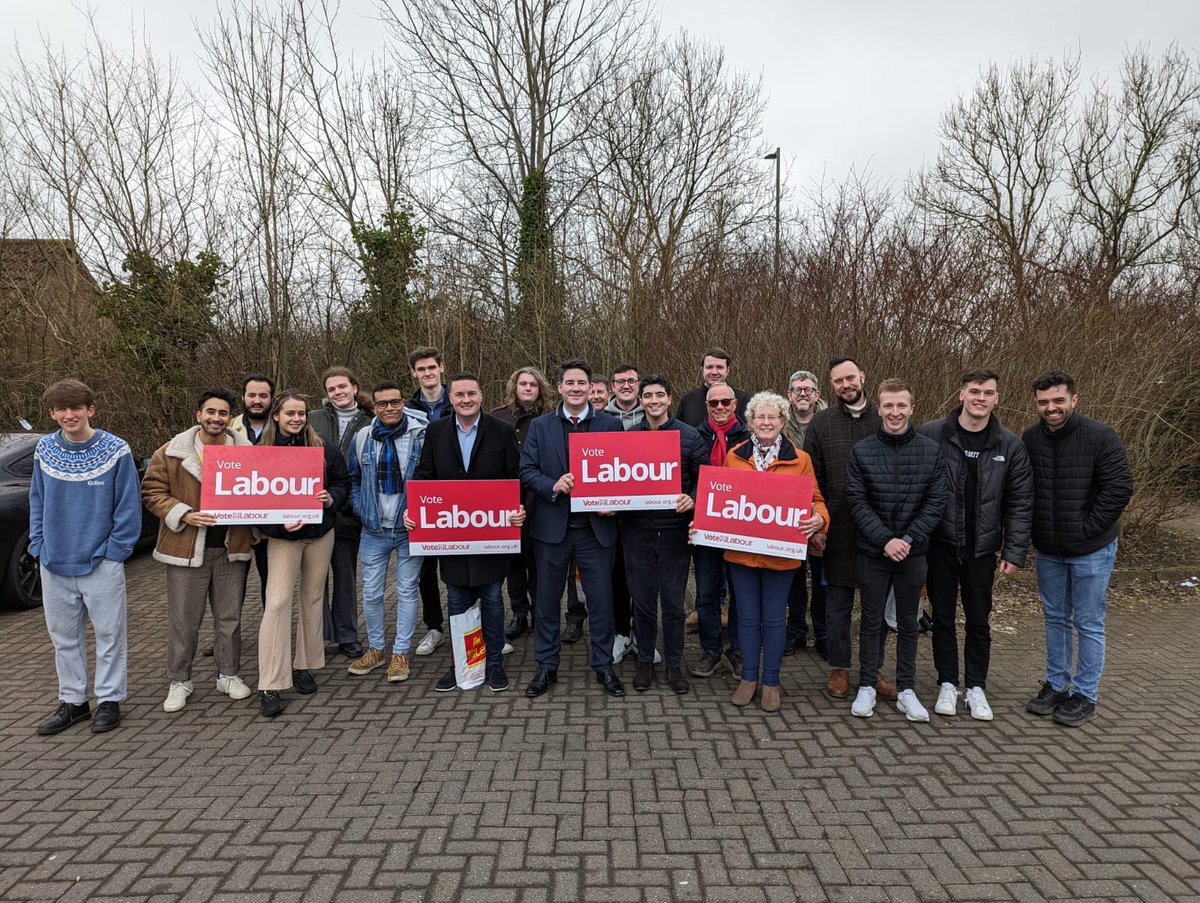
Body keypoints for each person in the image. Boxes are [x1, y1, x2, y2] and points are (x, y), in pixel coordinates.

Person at [918, 368, 1033, 721]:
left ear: (997, 398)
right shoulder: (932, 434)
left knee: (979, 621)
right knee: (942, 619)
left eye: (988, 392)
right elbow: (916, 488)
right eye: (974, 391)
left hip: (982, 551)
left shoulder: (1009, 444)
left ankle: (977, 687)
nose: (980, 398)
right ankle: (948, 683)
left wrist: (1014, 550)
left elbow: (1020, 501)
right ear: (961, 395)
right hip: (940, 545)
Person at [30, 380, 141, 735]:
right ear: (52, 413)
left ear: (90, 409)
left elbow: (128, 506)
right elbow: (37, 500)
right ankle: (74, 702)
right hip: (54, 561)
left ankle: (109, 699)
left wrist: (115, 552)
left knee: (109, 633)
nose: (68, 415)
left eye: (76, 408)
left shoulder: (116, 450)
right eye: (61, 409)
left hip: (101, 562)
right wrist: (38, 546)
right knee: (63, 637)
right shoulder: (44, 449)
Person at [1022, 371, 1132, 727]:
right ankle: (1056, 684)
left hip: (1091, 550)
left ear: (1074, 399)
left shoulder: (1100, 436)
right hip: (1049, 550)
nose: (1051, 408)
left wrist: (1086, 529)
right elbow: (1024, 491)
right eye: (1044, 402)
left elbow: (1119, 488)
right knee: (1055, 618)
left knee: (1088, 622)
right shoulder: (1030, 438)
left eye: (1058, 401)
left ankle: (1085, 693)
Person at [407, 373, 525, 693]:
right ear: (451, 399)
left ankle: (495, 662)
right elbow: (424, 477)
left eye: (471, 393)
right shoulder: (435, 432)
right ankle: (463, 661)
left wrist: (519, 508)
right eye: (459, 395)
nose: (466, 399)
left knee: (491, 600)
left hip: (491, 535)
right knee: (458, 600)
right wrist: (414, 511)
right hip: (452, 533)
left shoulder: (500, 431)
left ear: (481, 395)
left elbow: (516, 477)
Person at [142, 388, 255, 713]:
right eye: (211, 412)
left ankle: (228, 674)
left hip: (231, 547)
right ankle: (180, 680)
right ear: (199, 415)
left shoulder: (248, 453)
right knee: (184, 621)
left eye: (222, 413)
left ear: (229, 418)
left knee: (230, 619)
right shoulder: (171, 452)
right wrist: (184, 513)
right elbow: (152, 491)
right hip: (186, 548)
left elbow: (262, 492)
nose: (216, 418)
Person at [716, 391, 829, 713]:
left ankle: (771, 682)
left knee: (775, 620)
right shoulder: (735, 456)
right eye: (760, 417)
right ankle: (748, 678)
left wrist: (820, 519)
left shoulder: (800, 459)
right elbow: (721, 501)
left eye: (773, 417)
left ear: (783, 422)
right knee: (748, 619)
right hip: (742, 556)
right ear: (750, 422)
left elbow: (816, 499)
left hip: (781, 554)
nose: (766, 422)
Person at [519, 359, 625, 698]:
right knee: (547, 602)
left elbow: (622, 474)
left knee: (601, 602)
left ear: (592, 388)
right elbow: (526, 470)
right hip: (552, 528)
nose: (576, 388)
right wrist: (554, 484)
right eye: (570, 383)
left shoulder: (611, 425)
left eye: (582, 383)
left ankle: (604, 665)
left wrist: (616, 502)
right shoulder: (539, 426)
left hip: (596, 529)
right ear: (560, 387)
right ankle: (546, 667)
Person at [845, 378, 948, 722]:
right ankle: (867, 686)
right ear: (879, 409)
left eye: (901, 405)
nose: (894, 412)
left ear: (912, 408)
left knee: (908, 621)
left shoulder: (931, 451)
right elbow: (856, 502)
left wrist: (907, 539)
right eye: (888, 405)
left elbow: (936, 502)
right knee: (872, 620)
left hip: (913, 553)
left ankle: (906, 689)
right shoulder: (861, 451)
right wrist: (885, 540)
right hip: (873, 552)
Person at [805, 357, 895, 701]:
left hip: (881, 529)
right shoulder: (822, 423)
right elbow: (812, 480)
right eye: (838, 381)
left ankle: (874, 670)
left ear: (862, 376)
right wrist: (818, 525)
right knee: (837, 603)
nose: (845, 385)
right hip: (837, 527)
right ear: (832, 386)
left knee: (876, 605)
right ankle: (840, 667)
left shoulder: (885, 417)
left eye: (850, 378)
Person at [255, 391, 350, 717]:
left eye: (301, 414)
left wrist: (331, 498)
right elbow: (251, 501)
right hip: (283, 538)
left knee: (312, 599)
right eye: (290, 413)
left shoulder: (321, 448)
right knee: (278, 602)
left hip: (320, 534)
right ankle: (269, 681)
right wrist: (279, 526)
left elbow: (343, 481)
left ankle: (304, 666)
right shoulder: (261, 453)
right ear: (277, 416)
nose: (296, 419)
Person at [622, 376, 708, 694]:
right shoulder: (629, 437)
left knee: (673, 604)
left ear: (669, 399)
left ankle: (674, 665)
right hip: (637, 532)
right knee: (643, 603)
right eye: (648, 395)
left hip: (673, 532)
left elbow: (704, 477)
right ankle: (646, 661)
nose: (654, 400)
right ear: (641, 401)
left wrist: (694, 498)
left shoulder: (690, 436)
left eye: (660, 395)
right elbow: (618, 479)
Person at [345, 381, 429, 684]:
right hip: (374, 528)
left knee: (407, 591)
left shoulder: (420, 435)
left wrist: (420, 511)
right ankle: (376, 649)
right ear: (374, 406)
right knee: (371, 591)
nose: (389, 408)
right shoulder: (363, 437)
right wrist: (361, 509)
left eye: (395, 402)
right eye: (382, 404)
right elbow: (353, 478)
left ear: (403, 402)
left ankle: (400, 653)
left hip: (409, 529)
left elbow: (429, 479)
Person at [309, 366, 374, 659]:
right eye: (332, 389)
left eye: (342, 387)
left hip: (350, 510)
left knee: (345, 576)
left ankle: (347, 635)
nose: (338, 392)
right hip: (316, 510)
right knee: (315, 577)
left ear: (355, 388)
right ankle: (321, 636)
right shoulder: (313, 419)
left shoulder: (371, 420)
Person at [492, 366, 555, 641]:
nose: (528, 388)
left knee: (539, 563)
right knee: (513, 564)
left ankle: (541, 613)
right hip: (506, 502)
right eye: (523, 384)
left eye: (533, 384)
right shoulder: (497, 416)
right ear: (514, 387)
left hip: (540, 500)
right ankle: (519, 613)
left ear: (540, 388)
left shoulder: (549, 418)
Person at [691, 381, 748, 678]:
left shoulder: (750, 437)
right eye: (714, 403)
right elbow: (687, 478)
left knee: (739, 591)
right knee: (706, 592)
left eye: (726, 402)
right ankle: (711, 650)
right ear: (707, 406)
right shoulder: (694, 436)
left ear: (735, 404)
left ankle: (737, 651)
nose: (720, 408)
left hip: (740, 525)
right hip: (704, 527)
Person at [408, 346, 452, 657]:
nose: (427, 373)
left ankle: (473, 625)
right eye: (421, 369)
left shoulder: (461, 399)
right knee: (425, 571)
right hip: (422, 498)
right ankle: (434, 627)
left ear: (441, 368)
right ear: (414, 373)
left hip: (458, 499)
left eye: (431, 368)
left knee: (462, 566)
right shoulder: (406, 407)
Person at [783, 369, 829, 657]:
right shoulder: (778, 424)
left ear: (817, 394)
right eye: (797, 389)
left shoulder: (828, 424)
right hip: (787, 515)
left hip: (821, 510)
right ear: (789, 394)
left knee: (823, 578)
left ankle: (823, 633)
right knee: (794, 578)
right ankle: (797, 631)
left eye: (807, 389)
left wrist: (824, 520)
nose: (802, 393)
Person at [601, 363, 640, 663]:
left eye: (631, 381)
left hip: (643, 513)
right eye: (620, 381)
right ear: (612, 386)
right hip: (609, 513)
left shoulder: (654, 415)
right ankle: (619, 633)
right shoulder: (600, 419)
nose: (626, 385)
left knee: (640, 576)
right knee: (615, 575)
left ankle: (642, 634)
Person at [229, 373, 275, 612]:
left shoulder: (283, 427)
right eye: (252, 395)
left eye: (263, 396)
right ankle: (226, 638)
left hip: (273, 523)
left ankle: (273, 635)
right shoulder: (226, 428)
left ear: (271, 399)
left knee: (273, 586)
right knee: (232, 586)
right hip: (238, 524)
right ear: (243, 397)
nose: (257, 400)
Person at [677, 347, 751, 427]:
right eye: (709, 367)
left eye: (719, 367)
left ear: (727, 371)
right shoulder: (688, 400)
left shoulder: (742, 399)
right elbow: (680, 434)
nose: (714, 372)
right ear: (702, 370)